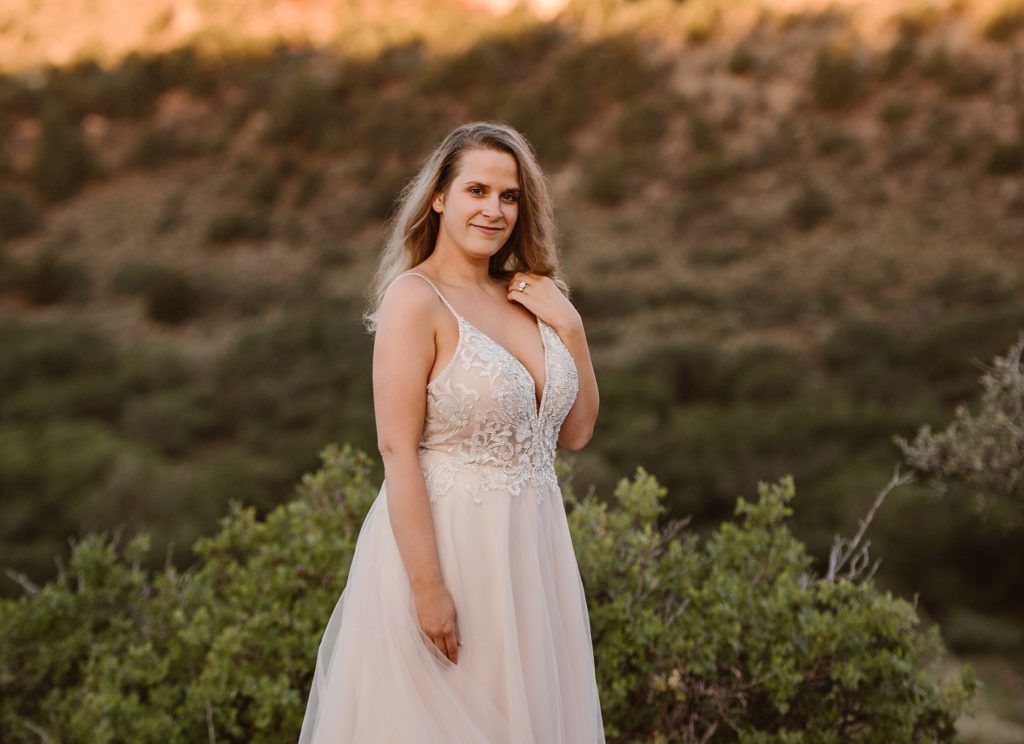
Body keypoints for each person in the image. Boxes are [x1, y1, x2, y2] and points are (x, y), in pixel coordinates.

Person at [298, 121, 605, 743]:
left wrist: (571, 328)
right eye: (477, 191)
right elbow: (396, 450)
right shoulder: (415, 299)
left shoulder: (530, 298)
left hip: (532, 554)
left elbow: (575, 432)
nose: (494, 210)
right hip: (451, 549)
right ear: (439, 196)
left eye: (509, 196)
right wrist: (427, 587)